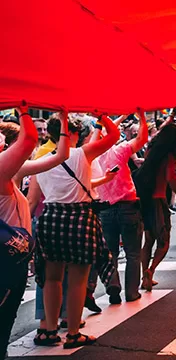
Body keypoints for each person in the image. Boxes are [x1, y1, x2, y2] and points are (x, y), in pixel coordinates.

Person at [35, 112, 120, 349]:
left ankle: (49, 331)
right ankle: (73, 333)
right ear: (72, 133)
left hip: (51, 216)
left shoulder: (41, 160)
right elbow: (114, 135)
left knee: (52, 278)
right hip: (80, 217)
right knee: (77, 280)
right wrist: (100, 115)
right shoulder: (82, 153)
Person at [0, 103, 70, 355]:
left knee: (6, 319)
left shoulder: (9, 172)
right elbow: (29, 139)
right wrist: (23, 108)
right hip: (5, 260)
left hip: (13, 257)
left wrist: (63, 122)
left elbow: (60, 157)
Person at [94, 109, 149, 303]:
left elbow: (108, 133)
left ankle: (113, 286)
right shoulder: (120, 150)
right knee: (133, 253)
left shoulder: (91, 156)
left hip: (105, 209)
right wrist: (142, 118)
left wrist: (114, 119)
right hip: (128, 206)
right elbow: (142, 138)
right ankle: (132, 292)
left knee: (111, 253)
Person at [136, 120, 176, 291]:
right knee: (164, 242)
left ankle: (144, 276)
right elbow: (170, 178)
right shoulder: (169, 155)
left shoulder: (150, 150)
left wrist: (172, 116)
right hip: (158, 200)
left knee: (148, 241)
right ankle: (151, 270)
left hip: (145, 200)